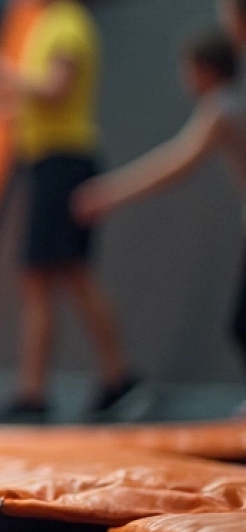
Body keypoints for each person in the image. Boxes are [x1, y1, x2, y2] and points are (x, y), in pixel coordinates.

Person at [0, 0, 140, 423]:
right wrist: (3, 103)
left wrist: (4, 75)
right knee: (52, 276)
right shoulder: (49, 23)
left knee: (63, 273)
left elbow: (55, 87)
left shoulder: (66, 20)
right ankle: (51, 387)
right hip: (50, 158)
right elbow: (43, 96)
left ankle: (104, 379)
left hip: (63, 162)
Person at [74, 29, 243, 415]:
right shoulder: (228, 104)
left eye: (188, 70)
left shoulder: (221, 108)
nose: (184, 79)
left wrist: (110, 193)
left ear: (206, 70)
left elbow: (176, 164)